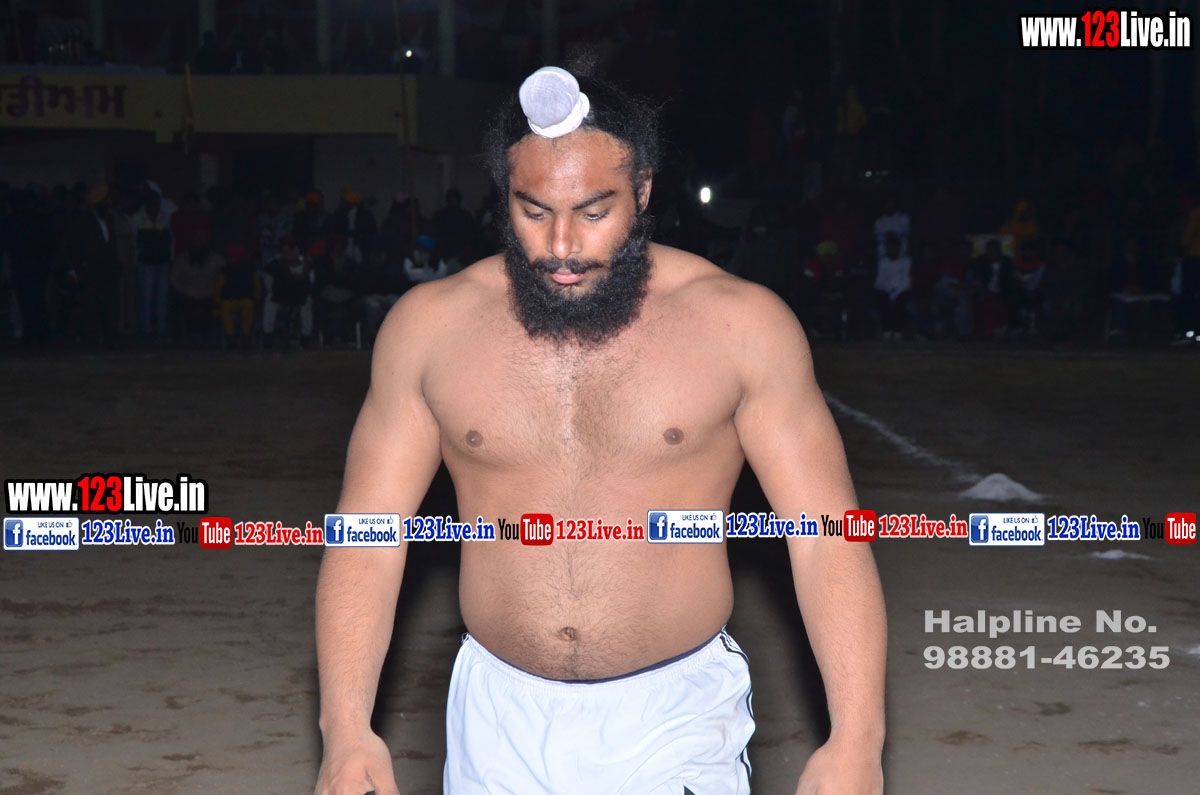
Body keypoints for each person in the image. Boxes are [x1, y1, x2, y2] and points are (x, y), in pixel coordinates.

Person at [315, 66, 885, 795]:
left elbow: (827, 535)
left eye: (593, 212)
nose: (561, 245)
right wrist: (345, 729)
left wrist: (858, 740)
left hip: (675, 718)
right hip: (496, 717)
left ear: (642, 190)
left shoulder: (740, 326)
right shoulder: (430, 329)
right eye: (533, 211)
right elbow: (366, 537)